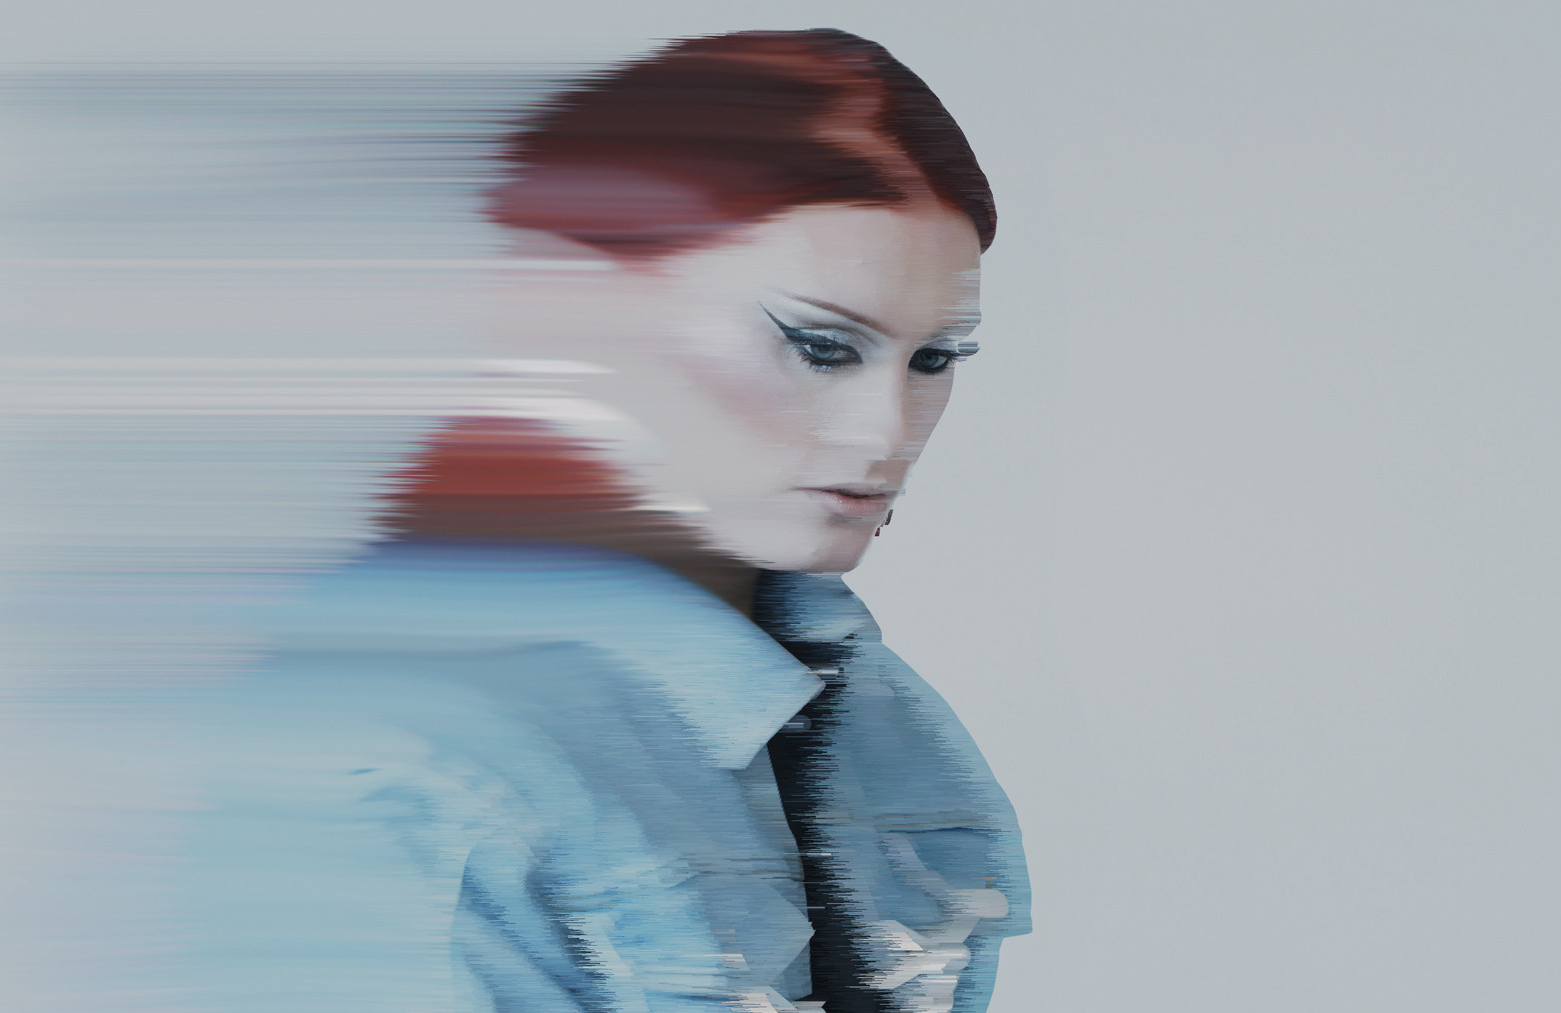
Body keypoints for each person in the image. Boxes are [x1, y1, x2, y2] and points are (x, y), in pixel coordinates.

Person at [173, 29, 1030, 1013]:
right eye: (820, 345)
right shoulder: (388, 748)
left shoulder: (874, 709)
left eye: (934, 359)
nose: (885, 429)